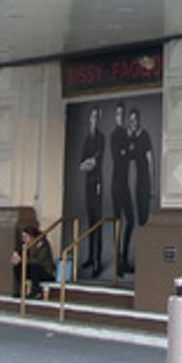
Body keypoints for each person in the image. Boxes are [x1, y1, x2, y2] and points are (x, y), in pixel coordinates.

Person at [78, 105, 105, 277]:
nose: (94, 120)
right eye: (92, 117)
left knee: (97, 221)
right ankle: (89, 256)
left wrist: (88, 162)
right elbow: (81, 165)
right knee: (90, 221)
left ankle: (97, 261)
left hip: (97, 183)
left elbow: (95, 161)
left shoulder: (101, 138)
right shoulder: (87, 139)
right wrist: (87, 163)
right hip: (88, 183)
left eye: (96, 117)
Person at [109, 103, 134, 272]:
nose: (120, 117)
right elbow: (119, 156)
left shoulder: (126, 134)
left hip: (124, 183)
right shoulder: (115, 135)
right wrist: (127, 150)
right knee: (118, 222)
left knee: (130, 220)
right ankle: (119, 260)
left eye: (122, 114)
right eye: (118, 114)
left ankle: (123, 258)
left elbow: (129, 154)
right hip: (117, 184)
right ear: (115, 117)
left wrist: (127, 150)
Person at [10, 222, 55, 299]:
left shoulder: (42, 245)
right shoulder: (25, 246)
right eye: (23, 237)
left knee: (34, 268)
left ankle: (36, 291)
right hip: (32, 269)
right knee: (17, 268)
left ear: (32, 237)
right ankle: (20, 290)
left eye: (26, 237)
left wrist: (22, 259)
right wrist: (17, 258)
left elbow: (37, 261)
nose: (23, 239)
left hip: (45, 271)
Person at [128, 107, 155, 236]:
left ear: (138, 120)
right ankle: (142, 241)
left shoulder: (145, 136)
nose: (132, 123)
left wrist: (152, 186)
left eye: (134, 120)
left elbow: (151, 162)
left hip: (146, 181)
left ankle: (147, 242)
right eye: (130, 121)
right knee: (139, 216)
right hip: (138, 182)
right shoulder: (133, 138)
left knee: (144, 216)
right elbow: (130, 156)